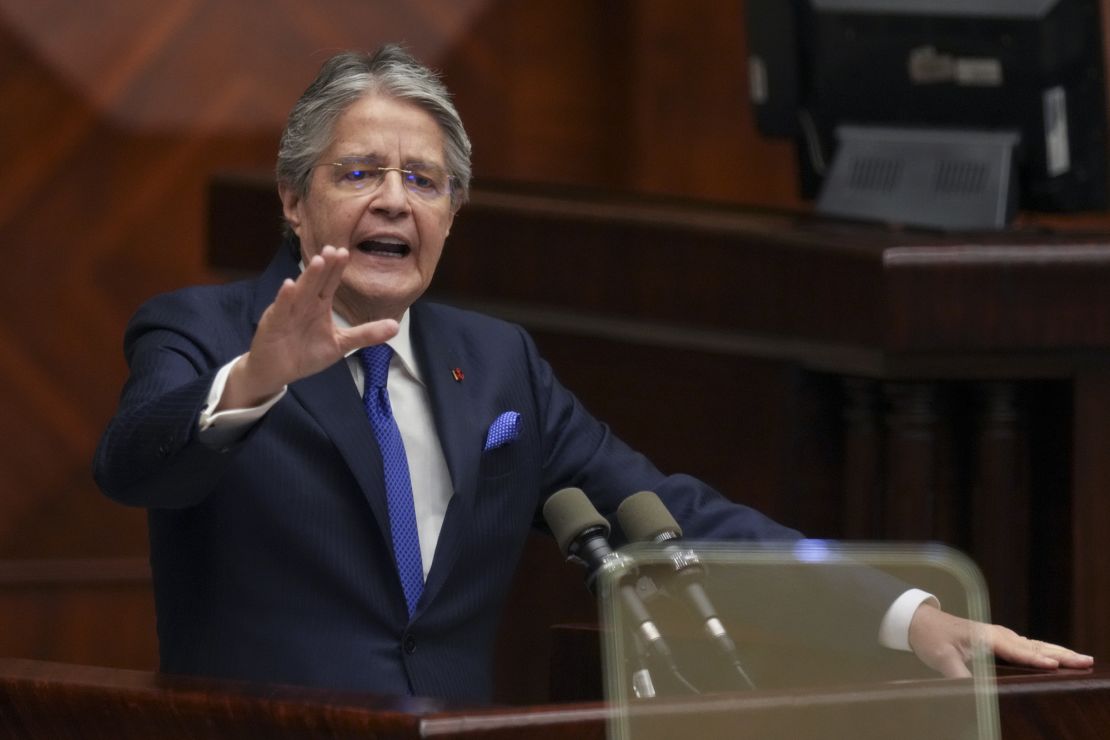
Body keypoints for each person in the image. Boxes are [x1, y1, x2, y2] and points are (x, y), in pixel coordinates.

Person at [93, 45, 1091, 701]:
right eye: (359, 173)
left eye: (425, 180)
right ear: (293, 201)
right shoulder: (199, 328)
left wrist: (907, 610)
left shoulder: (494, 366)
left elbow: (676, 514)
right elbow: (139, 464)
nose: (394, 200)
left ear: (451, 215)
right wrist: (257, 379)